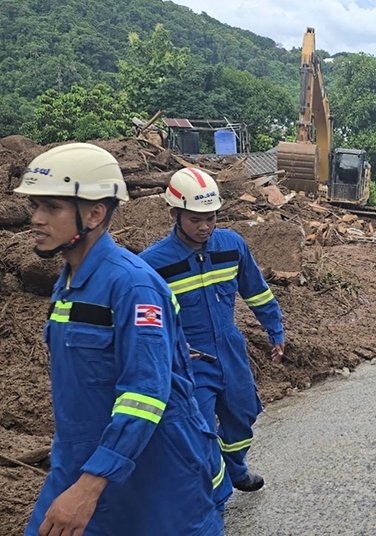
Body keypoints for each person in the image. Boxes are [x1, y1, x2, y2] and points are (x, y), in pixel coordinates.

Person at [18, 144, 224, 535]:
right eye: (35, 207)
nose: (37, 219)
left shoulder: (134, 286)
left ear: (95, 213)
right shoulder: (70, 283)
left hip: (153, 477)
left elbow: (145, 394)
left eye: (51, 208)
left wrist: (90, 486)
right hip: (81, 461)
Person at [140, 168, 286, 494]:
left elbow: (257, 291)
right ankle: (212, 500)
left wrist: (275, 330)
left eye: (211, 217)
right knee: (200, 429)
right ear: (174, 214)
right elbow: (143, 320)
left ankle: (235, 469)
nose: (205, 226)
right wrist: (164, 352)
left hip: (230, 349)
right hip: (189, 360)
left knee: (243, 413)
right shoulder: (153, 263)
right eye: (195, 219)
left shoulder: (231, 245)